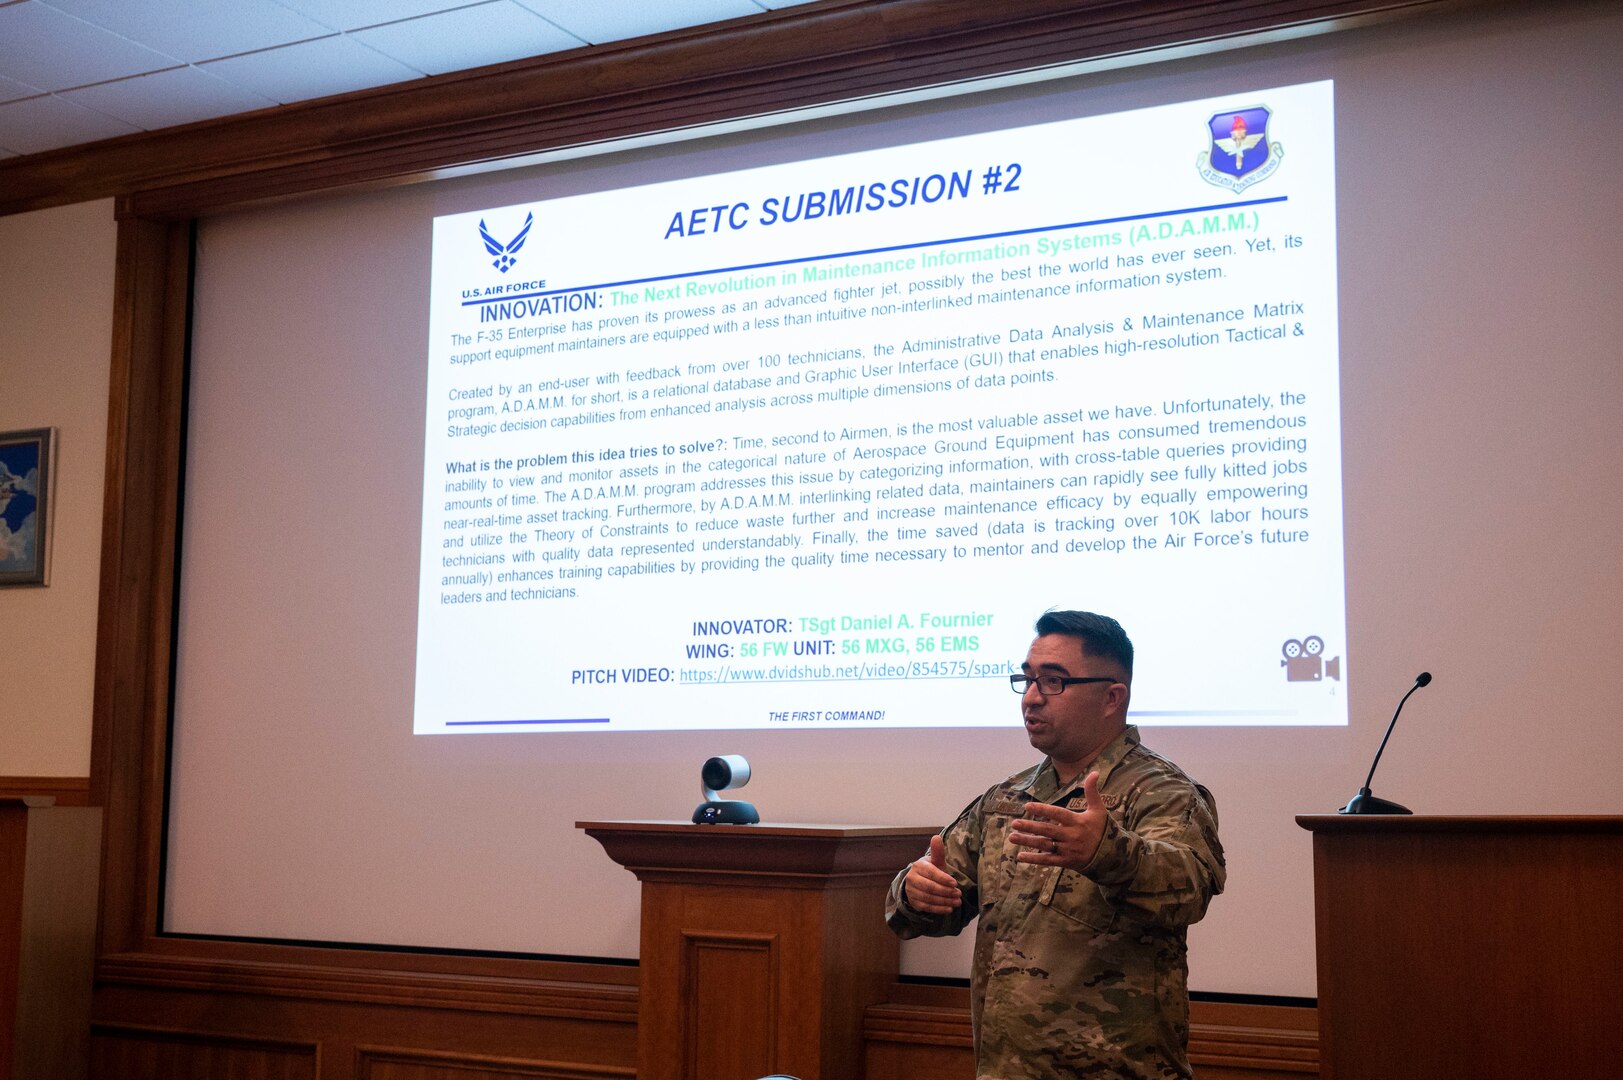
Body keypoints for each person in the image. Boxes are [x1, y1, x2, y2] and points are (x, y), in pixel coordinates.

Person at [885, 610, 1224, 1080]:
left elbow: (1190, 888)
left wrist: (1108, 853)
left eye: (1053, 681)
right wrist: (914, 891)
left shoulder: (1163, 792)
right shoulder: (1007, 799)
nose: (1031, 698)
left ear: (1112, 697)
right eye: (1026, 679)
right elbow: (923, 903)